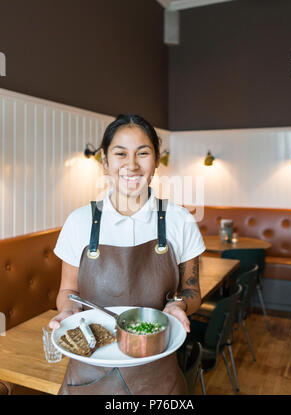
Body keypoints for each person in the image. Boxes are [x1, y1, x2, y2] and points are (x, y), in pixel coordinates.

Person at [49, 114, 206, 395]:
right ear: (105, 162)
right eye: (120, 153)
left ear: (157, 160)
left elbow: (192, 291)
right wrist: (69, 311)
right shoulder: (79, 221)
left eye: (143, 153)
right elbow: (68, 290)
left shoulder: (181, 220)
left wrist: (178, 306)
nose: (132, 165)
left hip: (158, 373)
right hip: (89, 368)